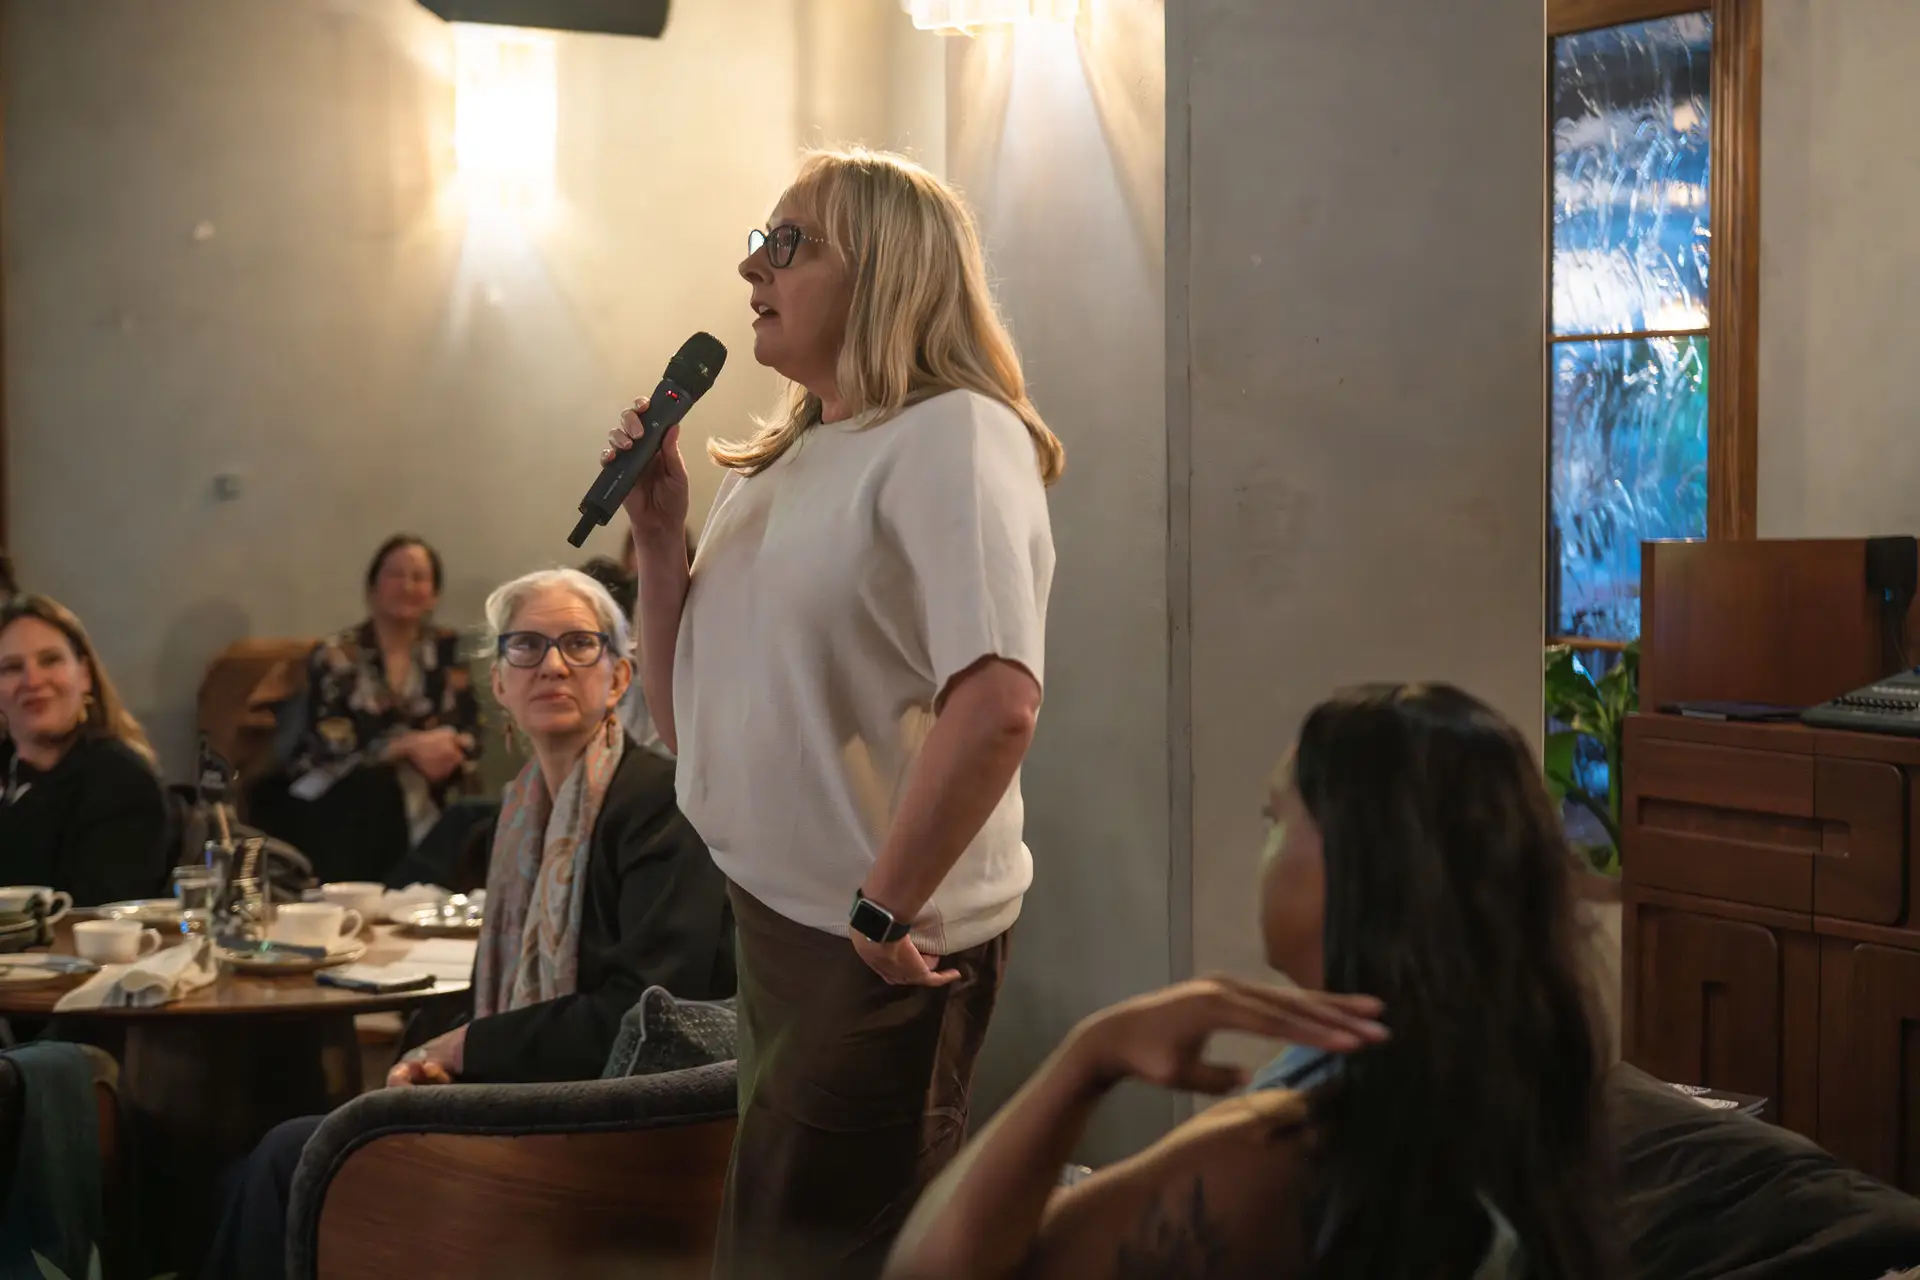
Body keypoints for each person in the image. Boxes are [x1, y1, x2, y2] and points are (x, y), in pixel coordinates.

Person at [608, 147, 1063, 1278]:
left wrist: (880, 908)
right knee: (771, 1240)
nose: (752, 267)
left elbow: (998, 702)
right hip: (773, 915)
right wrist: (659, 539)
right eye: (758, 241)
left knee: (829, 1252)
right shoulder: (784, 458)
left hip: (875, 942)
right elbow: (688, 716)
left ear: (887, 269)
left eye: (789, 242)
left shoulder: (955, 433)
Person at [886, 684, 1613, 1280]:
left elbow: (929, 1270)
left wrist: (1090, 1057)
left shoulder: (1284, 1154)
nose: (1263, 850)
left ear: (1357, 863)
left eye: (1275, 820)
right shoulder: (1504, 1073)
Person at [202, 567, 735, 1280]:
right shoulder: (517, 815)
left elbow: (641, 1008)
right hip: (540, 1093)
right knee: (251, 1167)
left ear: (618, 678)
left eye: (580, 644)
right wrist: (433, 1055)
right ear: (499, 685)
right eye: (527, 646)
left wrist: (467, 1047)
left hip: (609, 1131)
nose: (552, 665)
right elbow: (504, 996)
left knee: (284, 1160)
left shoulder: (659, 803)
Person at [255, 535, 481, 883]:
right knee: (378, 788)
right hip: (342, 781)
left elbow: (470, 727)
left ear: (434, 595)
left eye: (419, 577)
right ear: (372, 589)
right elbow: (330, 740)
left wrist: (450, 748)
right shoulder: (337, 654)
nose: (407, 586)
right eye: (396, 575)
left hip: (428, 784)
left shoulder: (448, 650)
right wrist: (405, 747)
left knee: (471, 813)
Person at [0, 596, 170, 906]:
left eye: (50, 660)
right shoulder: (10, 773)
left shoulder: (120, 780)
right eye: (12, 667)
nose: (32, 680)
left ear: (84, 676)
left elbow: (95, 914)